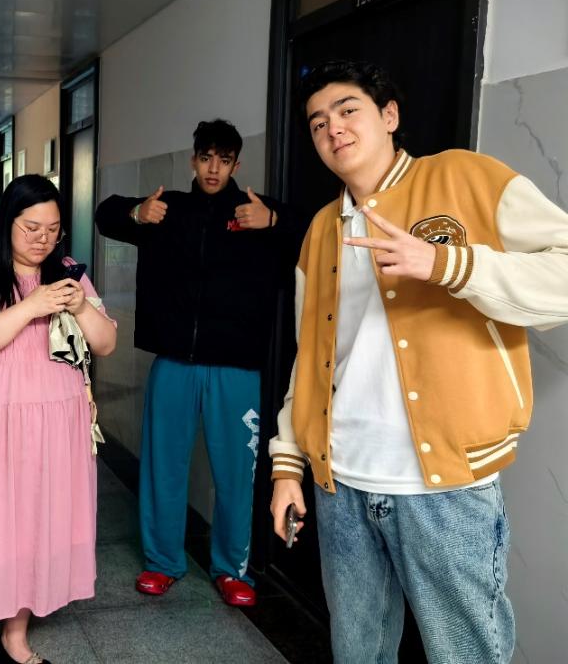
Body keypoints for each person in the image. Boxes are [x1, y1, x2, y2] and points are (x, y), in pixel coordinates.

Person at [268, 59, 568, 663]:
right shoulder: (321, 230)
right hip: (340, 482)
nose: (333, 128)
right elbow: (312, 359)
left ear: (389, 116)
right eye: (318, 122)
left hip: (446, 490)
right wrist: (287, 464)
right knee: (358, 653)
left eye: (348, 110)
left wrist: (447, 264)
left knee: (467, 654)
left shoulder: (465, 177)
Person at [94, 119, 295, 606]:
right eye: (206, 158)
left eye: (223, 160)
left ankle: (232, 570)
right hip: (174, 363)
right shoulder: (169, 211)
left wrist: (273, 221)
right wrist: (138, 212)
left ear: (236, 165)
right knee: (163, 466)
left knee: (236, 474)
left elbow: (316, 233)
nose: (213, 169)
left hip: (236, 367)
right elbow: (105, 214)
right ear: (193, 160)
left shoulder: (255, 214)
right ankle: (162, 562)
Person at [0, 174, 117, 664]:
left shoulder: (69, 274)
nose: (43, 239)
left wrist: (80, 304)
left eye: (53, 230)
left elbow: (105, 342)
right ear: (7, 222)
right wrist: (31, 306)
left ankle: (15, 637)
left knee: (35, 522)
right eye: (31, 228)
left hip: (57, 422)